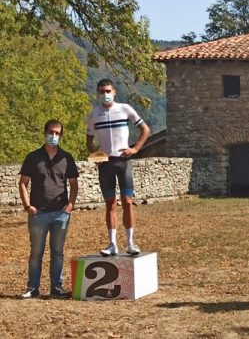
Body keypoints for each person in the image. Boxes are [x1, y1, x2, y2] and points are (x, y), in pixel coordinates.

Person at [86, 79, 150, 256]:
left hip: (123, 161)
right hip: (106, 163)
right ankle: (112, 243)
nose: (105, 94)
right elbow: (89, 140)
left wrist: (135, 148)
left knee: (128, 202)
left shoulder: (125, 109)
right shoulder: (94, 115)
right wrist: (94, 155)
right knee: (110, 203)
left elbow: (145, 129)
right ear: (98, 93)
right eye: (101, 91)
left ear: (114, 92)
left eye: (108, 91)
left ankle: (130, 242)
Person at [18, 119, 79, 299]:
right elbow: (23, 183)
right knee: (36, 252)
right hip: (38, 214)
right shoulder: (33, 157)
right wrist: (27, 205)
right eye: (51, 132)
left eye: (57, 133)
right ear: (45, 133)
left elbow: (73, 184)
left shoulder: (66, 158)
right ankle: (32, 288)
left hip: (61, 213)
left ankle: (56, 288)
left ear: (61, 136)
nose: (54, 136)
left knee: (58, 252)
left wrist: (70, 205)